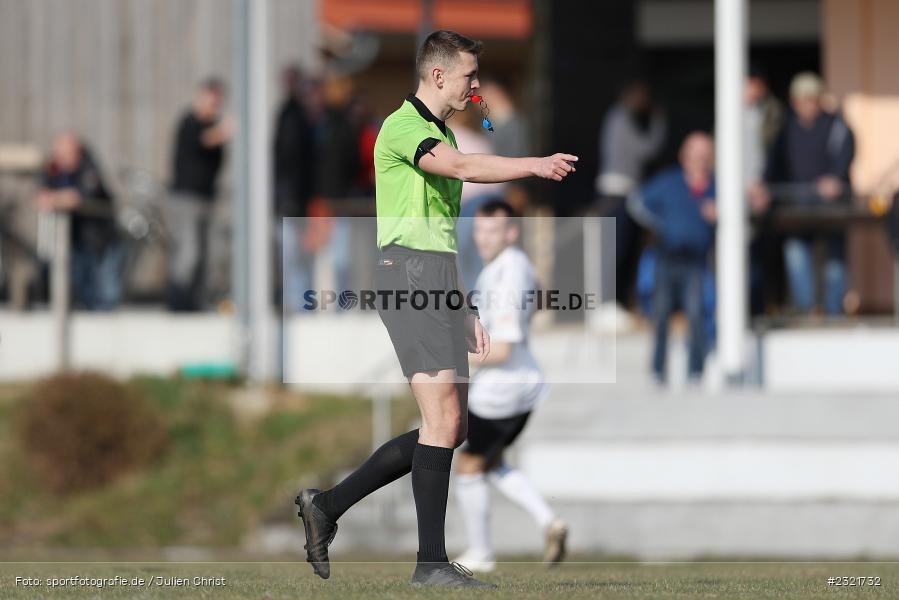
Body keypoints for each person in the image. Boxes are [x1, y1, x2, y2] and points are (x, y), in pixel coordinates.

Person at [295, 29, 577, 588]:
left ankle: (326, 505)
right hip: (406, 276)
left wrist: (463, 301)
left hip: (437, 276)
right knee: (442, 420)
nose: (476, 86)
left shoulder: (439, 129)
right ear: (439, 75)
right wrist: (535, 165)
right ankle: (429, 564)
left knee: (453, 425)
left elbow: (441, 232)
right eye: (469, 76)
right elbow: (465, 170)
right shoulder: (403, 127)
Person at [453, 199, 568, 573]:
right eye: (480, 230)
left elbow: (500, 349)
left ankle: (480, 554)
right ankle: (550, 521)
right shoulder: (508, 266)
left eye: (493, 231)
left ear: (512, 232)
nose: (484, 238)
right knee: (492, 462)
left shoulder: (508, 275)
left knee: (469, 465)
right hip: (521, 387)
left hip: (500, 392)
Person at [761, 72, 855, 315]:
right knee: (796, 255)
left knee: (835, 261)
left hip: (832, 206)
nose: (807, 104)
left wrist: (835, 178)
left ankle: (834, 312)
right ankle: (806, 311)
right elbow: (774, 164)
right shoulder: (785, 130)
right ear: (794, 102)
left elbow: (845, 153)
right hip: (796, 206)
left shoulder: (836, 124)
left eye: (812, 99)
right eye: (802, 100)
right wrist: (765, 186)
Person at [630, 133, 716, 385]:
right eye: (694, 154)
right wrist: (662, 226)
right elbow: (637, 203)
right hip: (667, 259)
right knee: (661, 315)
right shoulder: (668, 182)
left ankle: (696, 373)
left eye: (704, 154)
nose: (699, 159)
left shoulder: (717, 186)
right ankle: (658, 372)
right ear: (684, 156)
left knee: (697, 314)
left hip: (697, 262)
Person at [596, 79, 667, 308]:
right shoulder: (620, 119)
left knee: (620, 250)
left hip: (619, 192)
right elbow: (647, 150)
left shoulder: (616, 118)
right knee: (616, 251)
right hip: (618, 193)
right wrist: (659, 122)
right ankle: (608, 303)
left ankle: (614, 302)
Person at [165, 78, 234, 311]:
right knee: (189, 251)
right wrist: (224, 131)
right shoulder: (190, 122)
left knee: (208, 255)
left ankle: (198, 300)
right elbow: (204, 140)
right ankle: (179, 300)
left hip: (208, 198)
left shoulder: (212, 124)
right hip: (186, 198)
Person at [35, 133, 124, 310]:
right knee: (80, 292)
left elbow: (78, 198)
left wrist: (56, 199)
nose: (60, 157)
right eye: (58, 153)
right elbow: (40, 197)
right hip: (75, 241)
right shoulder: (53, 169)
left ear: (76, 152)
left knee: (105, 296)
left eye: (65, 153)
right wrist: (56, 198)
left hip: (101, 241)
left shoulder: (89, 169)